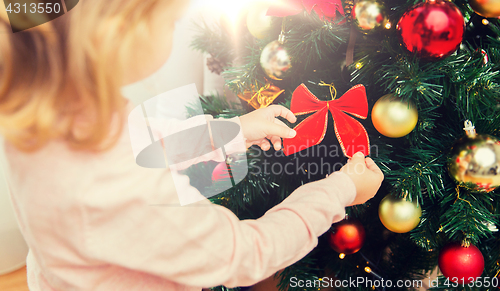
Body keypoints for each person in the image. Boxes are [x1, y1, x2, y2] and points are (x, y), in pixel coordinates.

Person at [0, 0, 384, 290]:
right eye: (170, 21)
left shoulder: (48, 110)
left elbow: (147, 151)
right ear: (118, 35)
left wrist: (236, 131)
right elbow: (243, 253)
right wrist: (339, 189)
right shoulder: (110, 187)